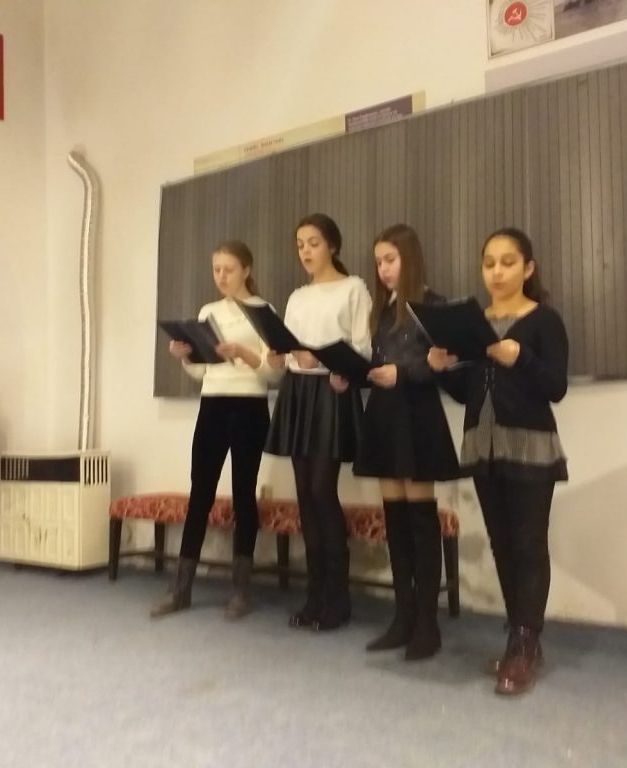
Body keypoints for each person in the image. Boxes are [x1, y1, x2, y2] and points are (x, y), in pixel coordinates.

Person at [427, 227, 568, 695]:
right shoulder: (475, 325)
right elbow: (468, 390)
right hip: (482, 444)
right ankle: (518, 641)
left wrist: (519, 356)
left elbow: (556, 387)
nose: (497, 272)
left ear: (528, 268)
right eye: (489, 263)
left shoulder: (544, 320)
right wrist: (442, 371)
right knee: (502, 543)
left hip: (529, 445)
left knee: (529, 544)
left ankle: (526, 644)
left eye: (508, 262)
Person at [342, 224, 460, 661]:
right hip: (385, 416)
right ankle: (403, 617)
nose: (383, 269)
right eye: (378, 262)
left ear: (409, 258)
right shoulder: (383, 309)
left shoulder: (433, 305)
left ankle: (427, 623)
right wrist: (351, 375)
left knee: (420, 521)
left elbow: (442, 364)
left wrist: (404, 373)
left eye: (390, 260)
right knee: (394, 521)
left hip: (418, 416)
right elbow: (378, 362)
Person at [150, 240, 281, 620]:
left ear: (246, 270)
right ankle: (181, 589)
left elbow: (274, 374)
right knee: (201, 493)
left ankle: (241, 590)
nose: (221, 276)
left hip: (249, 406)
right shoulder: (208, 312)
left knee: (243, 495)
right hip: (213, 405)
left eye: (229, 269)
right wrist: (186, 357)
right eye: (216, 269)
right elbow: (202, 371)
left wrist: (243, 353)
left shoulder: (264, 312)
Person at [264, 213, 372, 632]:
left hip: (330, 392)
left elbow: (362, 349)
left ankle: (338, 598)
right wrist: (280, 357)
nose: (305, 251)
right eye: (300, 245)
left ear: (332, 245)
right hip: (298, 393)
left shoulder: (354, 288)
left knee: (321, 491)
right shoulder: (296, 297)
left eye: (313, 242)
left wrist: (322, 360)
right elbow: (289, 348)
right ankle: (314, 596)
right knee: (305, 497)